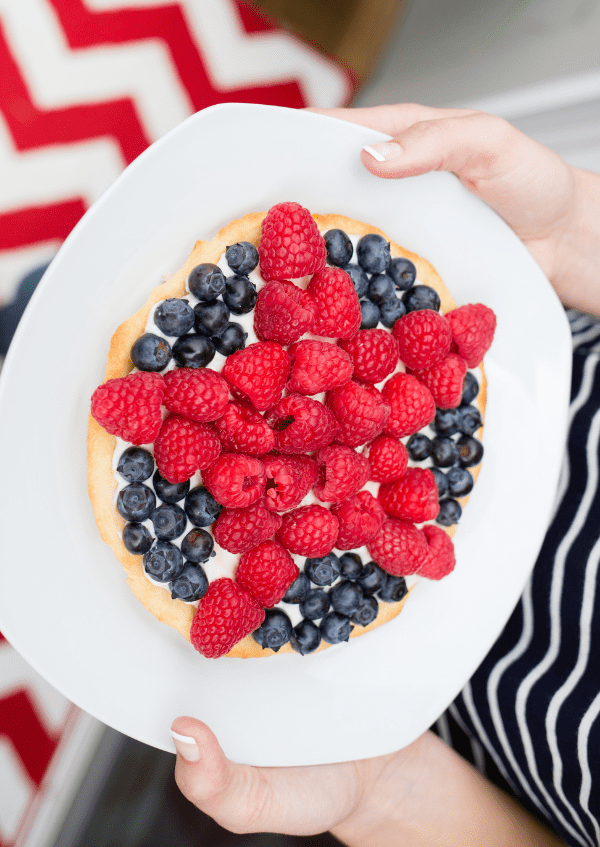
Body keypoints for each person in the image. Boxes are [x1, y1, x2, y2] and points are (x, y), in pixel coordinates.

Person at [170, 104, 600, 847]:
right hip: (498, 378)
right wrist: (570, 234)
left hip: (391, 694)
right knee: (65, 321)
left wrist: (380, 789)